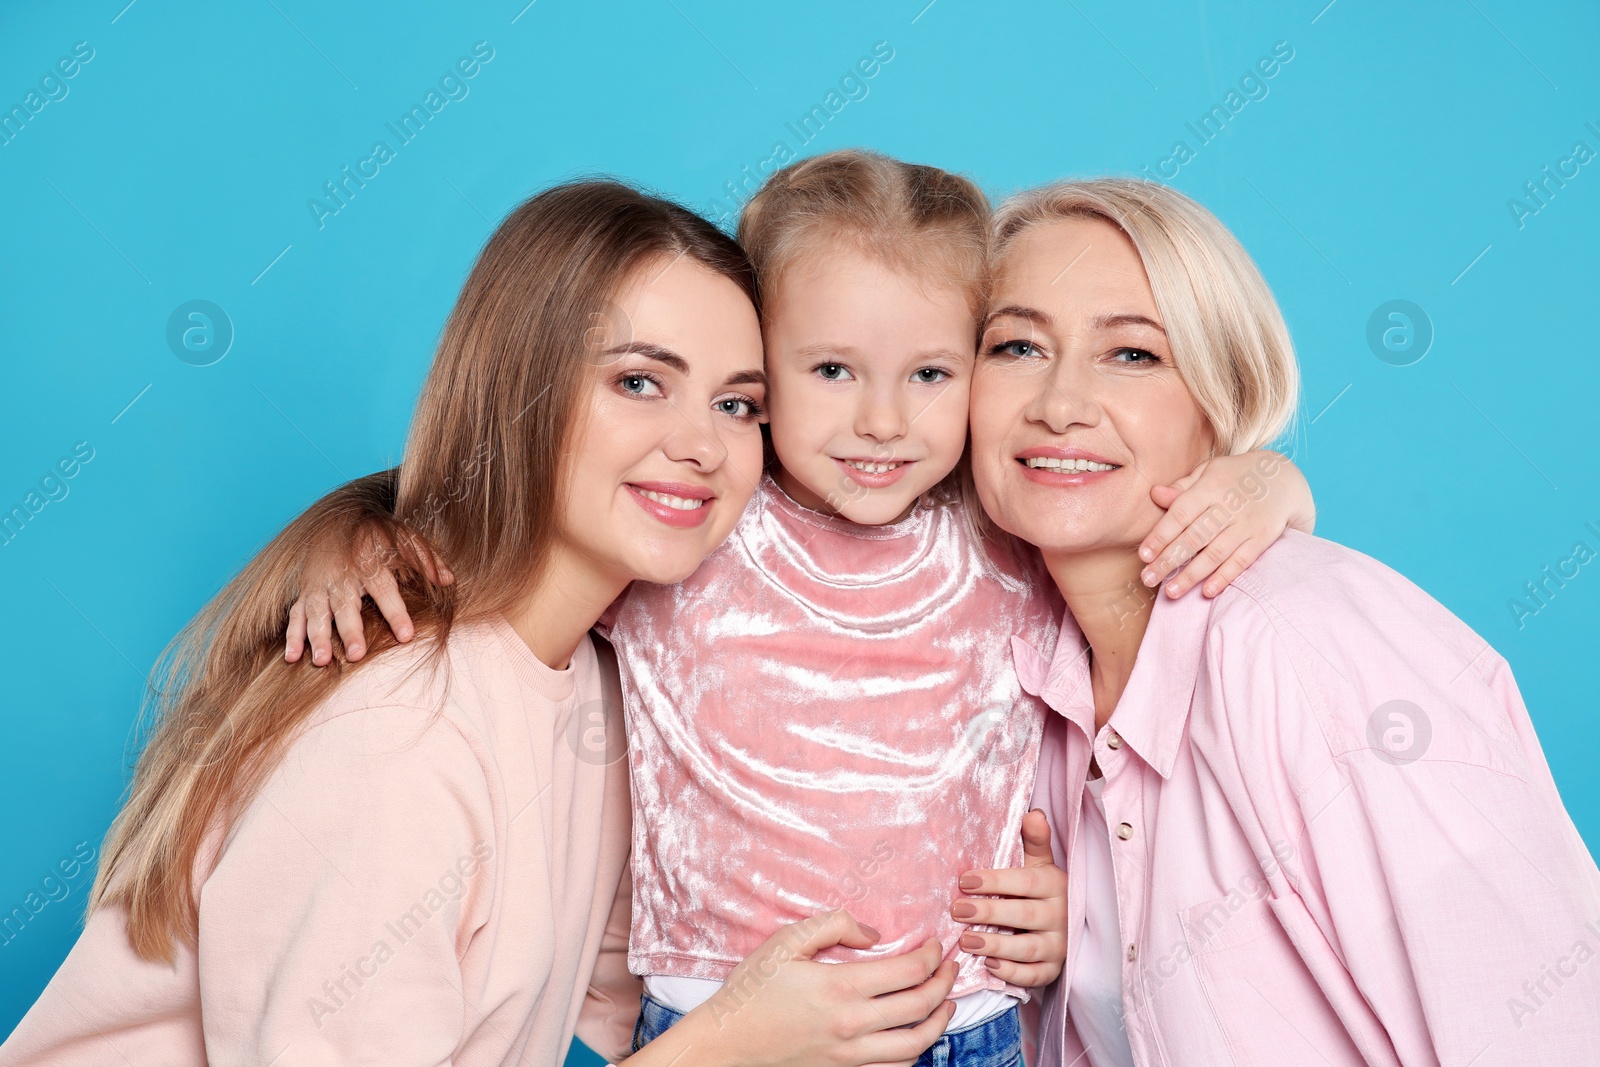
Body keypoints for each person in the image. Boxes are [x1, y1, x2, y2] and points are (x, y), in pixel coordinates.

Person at [282, 151, 1317, 1067]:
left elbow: (1138, 549)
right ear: (763, 366)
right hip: (723, 1023)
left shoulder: (1005, 539)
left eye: (928, 373)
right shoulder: (698, 528)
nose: (881, 420)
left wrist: (1268, 479)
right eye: (829, 371)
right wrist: (354, 527)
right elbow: (511, 493)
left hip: (964, 1024)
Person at [0, 181, 965, 1067]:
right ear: (521, 393)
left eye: (738, 403)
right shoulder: (394, 729)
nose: (701, 444)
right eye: (638, 381)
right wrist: (720, 1047)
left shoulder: (601, 682)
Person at [962, 177, 1600, 1065]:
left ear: (1221, 402)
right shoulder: (1021, 668)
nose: (1059, 403)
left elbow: (1547, 1029)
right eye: (1018, 345)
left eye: (1134, 355)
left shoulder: (1311, 647)